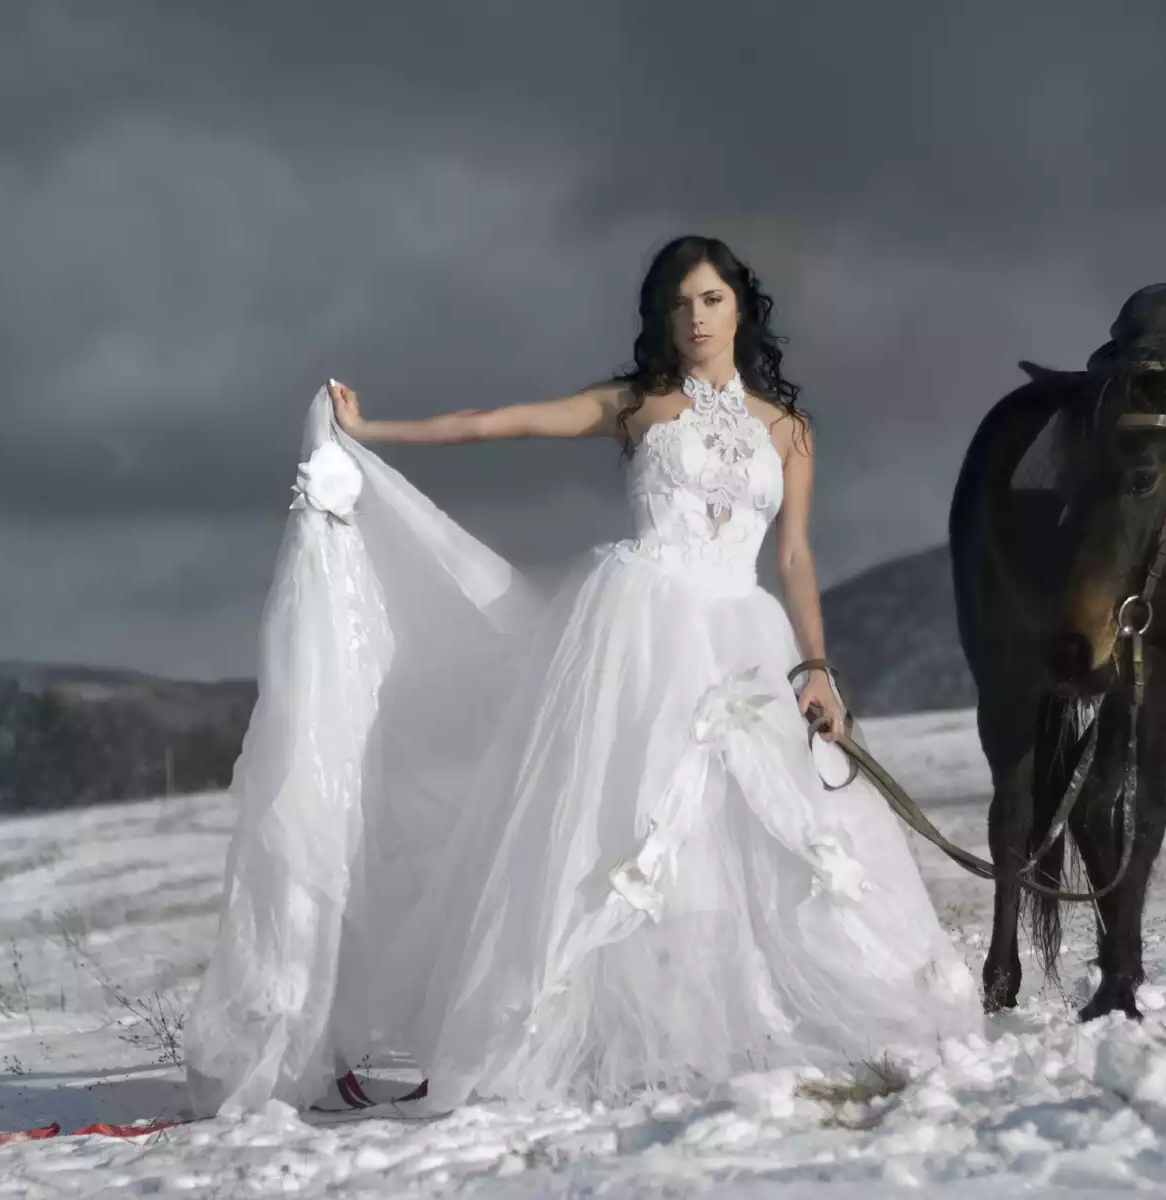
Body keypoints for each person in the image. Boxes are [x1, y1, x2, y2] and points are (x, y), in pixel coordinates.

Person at [183, 235, 980, 1121]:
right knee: (627, 825)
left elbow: (792, 555)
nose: (696, 318)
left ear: (740, 308)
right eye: (679, 304)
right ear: (661, 318)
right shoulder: (637, 404)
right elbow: (502, 422)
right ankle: (620, 1030)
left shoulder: (788, 431)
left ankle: (746, 1016)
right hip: (640, 631)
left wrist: (818, 667)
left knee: (773, 835)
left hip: (743, 633)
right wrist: (376, 432)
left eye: (711, 300)